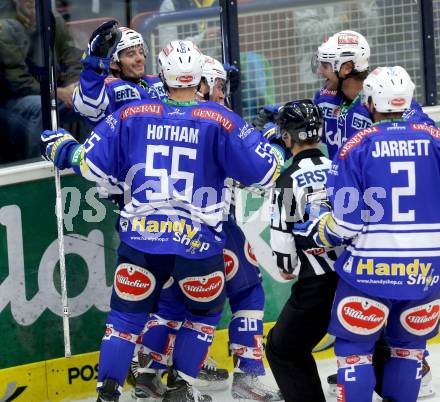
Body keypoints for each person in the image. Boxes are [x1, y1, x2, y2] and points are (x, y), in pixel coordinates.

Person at [41, 39, 282, 402]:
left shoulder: (132, 113)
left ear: (163, 72)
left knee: (125, 317)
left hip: (140, 239)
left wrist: (61, 148)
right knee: (203, 313)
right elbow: (265, 173)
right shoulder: (220, 119)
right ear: (199, 74)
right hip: (197, 241)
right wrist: (278, 144)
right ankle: (179, 386)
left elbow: (89, 164)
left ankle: (107, 393)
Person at [133, 55, 283, 401]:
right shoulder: (218, 121)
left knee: (171, 303)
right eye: (218, 84)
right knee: (248, 291)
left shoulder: (163, 114)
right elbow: (257, 177)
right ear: (204, 82)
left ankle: (147, 376)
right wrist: (270, 140)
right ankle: (247, 375)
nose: (222, 91)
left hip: (162, 230)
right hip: (215, 227)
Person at [295, 66, 440, 402]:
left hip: (369, 269)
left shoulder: (356, 144)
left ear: (372, 101)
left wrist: (319, 233)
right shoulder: (434, 139)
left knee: (355, 349)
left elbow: (346, 222)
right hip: (425, 270)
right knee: (410, 350)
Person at [265, 99, 340, 402]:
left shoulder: (287, 179)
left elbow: (283, 244)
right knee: (369, 344)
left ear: (287, 137)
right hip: (355, 278)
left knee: (283, 349)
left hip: (317, 287)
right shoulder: (338, 167)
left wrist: (286, 264)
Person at [313, 30, 435, 161]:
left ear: (347, 68)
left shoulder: (386, 99)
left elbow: (430, 137)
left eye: (325, 66)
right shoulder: (323, 98)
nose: (320, 71)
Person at [0, 0, 82, 161]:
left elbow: (73, 58)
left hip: (53, 90)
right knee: (42, 107)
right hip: (13, 99)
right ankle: (36, 166)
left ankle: (89, 160)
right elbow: (18, 82)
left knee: (87, 100)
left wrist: (75, 86)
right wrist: (56, 92)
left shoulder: (52, 19)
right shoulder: (6, 27)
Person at [73, 21, 167, 127]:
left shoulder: (157, 81)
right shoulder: (107, 89)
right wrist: (93, 65)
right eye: (131, 55)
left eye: (141, 52)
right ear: (113, 63)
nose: (140, 58)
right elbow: (88, 104)